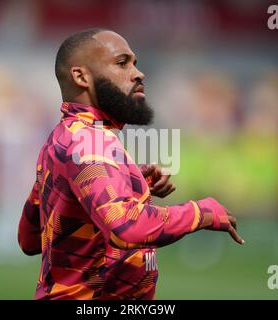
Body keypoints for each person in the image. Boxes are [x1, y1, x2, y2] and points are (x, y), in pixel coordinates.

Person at [17, 28, 244, 300]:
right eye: (122, 63)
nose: (138, 73)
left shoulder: (65, 137)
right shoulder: (90, 143)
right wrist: (200, 213)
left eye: (134, 63)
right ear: (81, 76)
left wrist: (130, 186)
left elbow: (29, 238)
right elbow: (125, 227)